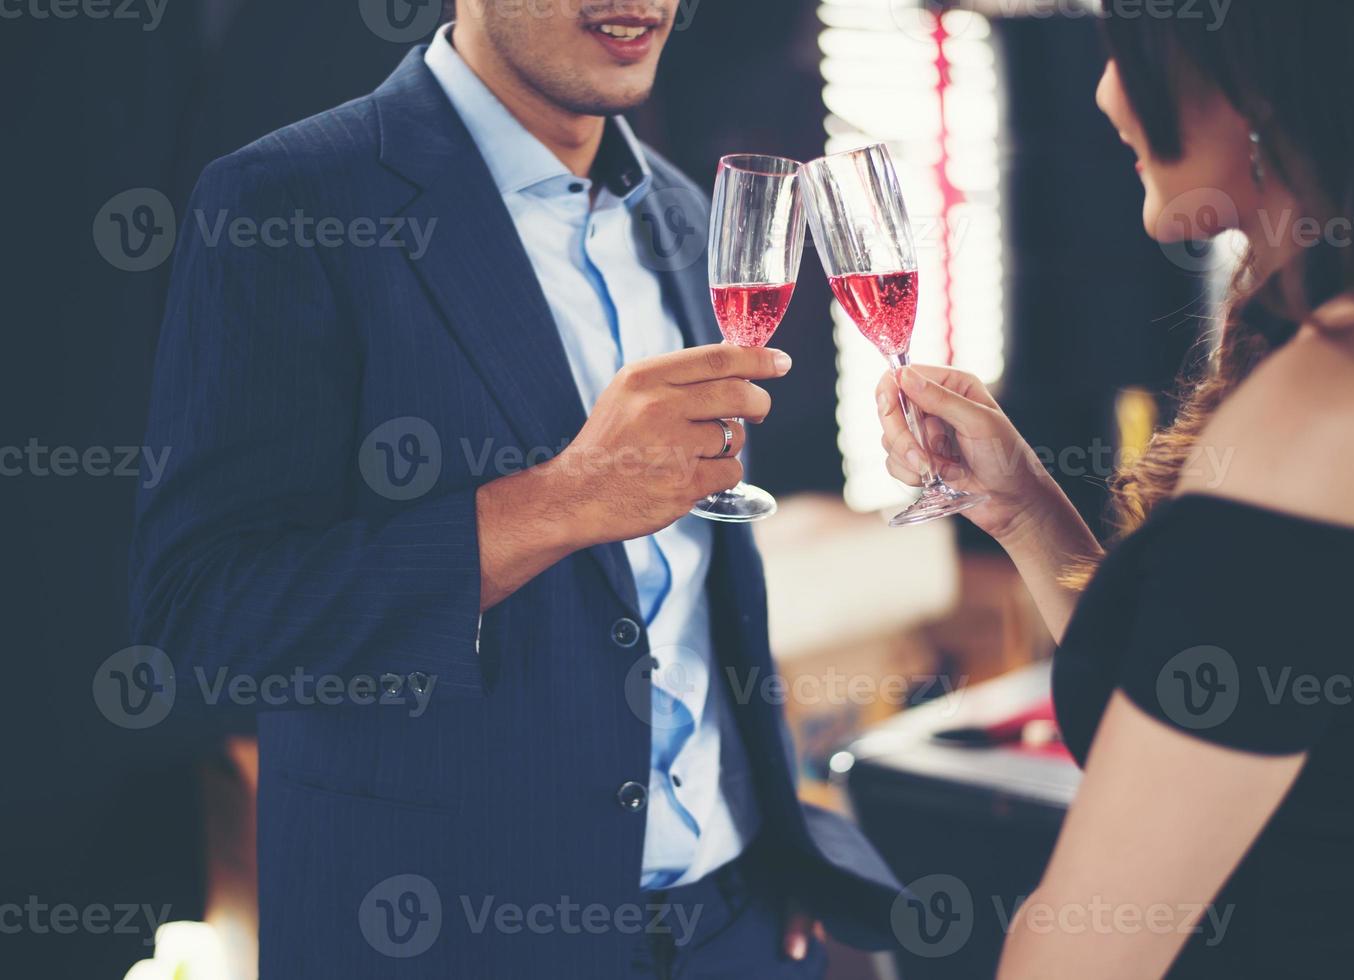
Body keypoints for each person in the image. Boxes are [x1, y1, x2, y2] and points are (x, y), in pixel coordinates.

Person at [131, 2, 898, 976]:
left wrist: (778, 853)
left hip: (735, 927)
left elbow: (700, 616)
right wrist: (559, 500)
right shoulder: (286, 199)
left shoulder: (687, 215)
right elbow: (201, 615)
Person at [877, 3, 1354, 977]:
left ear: (1261, 77)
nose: (1106, 92)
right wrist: (1023, 502)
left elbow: (1079, 954)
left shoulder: (1335, 407)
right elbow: (1214, 694)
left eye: (1130, 50)